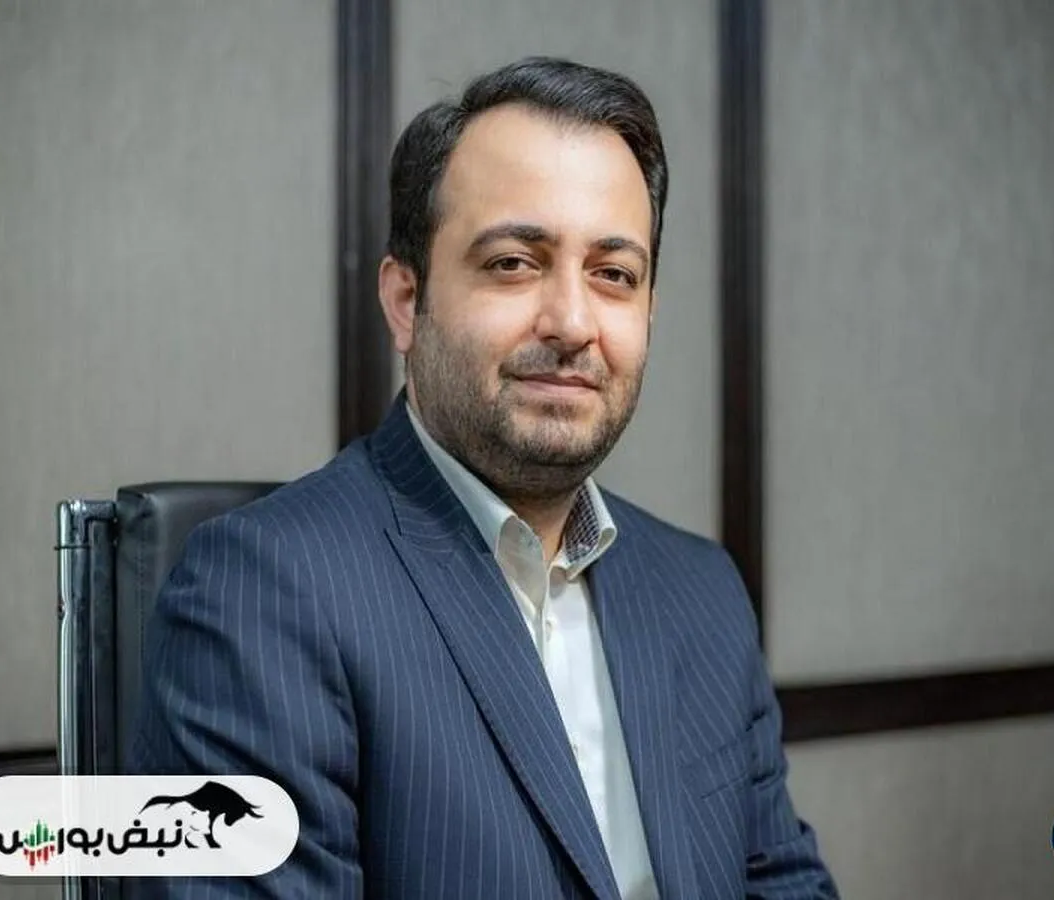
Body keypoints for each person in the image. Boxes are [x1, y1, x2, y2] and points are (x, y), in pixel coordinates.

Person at [130, 56, 839, 899]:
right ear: (406, 299)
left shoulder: (701, 590)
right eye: (513, 263)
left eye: (613, 275)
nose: (571, 322)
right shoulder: (257, 595)